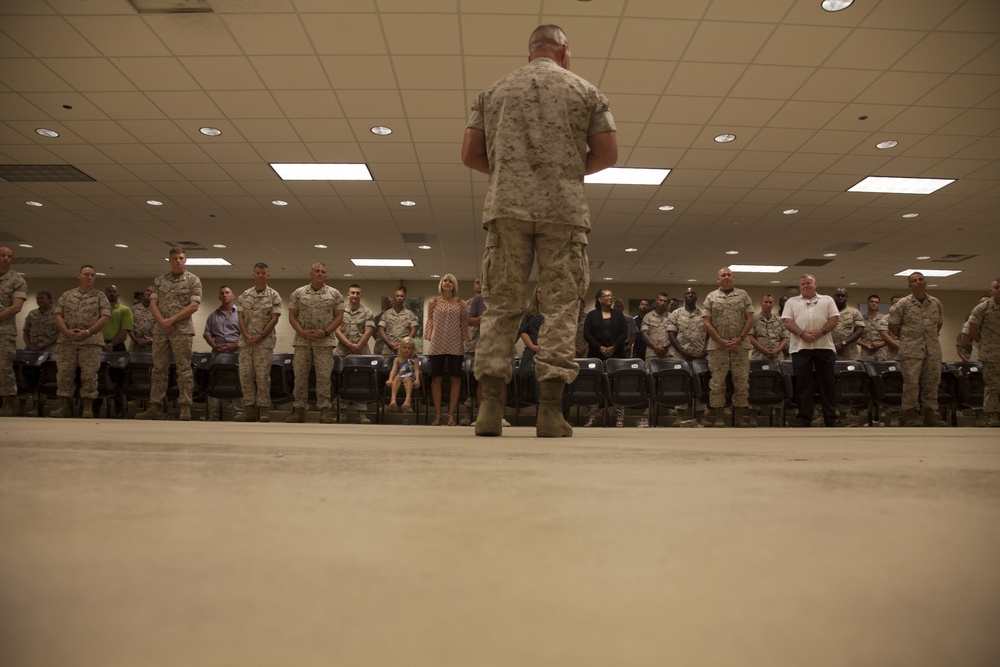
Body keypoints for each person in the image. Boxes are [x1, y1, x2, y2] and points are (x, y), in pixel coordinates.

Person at [461, 23, 617, 439]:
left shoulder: (492, 93)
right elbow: (607, 153)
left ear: (531, 51)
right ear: (565, 52)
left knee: (502, 305)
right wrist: (562, 174)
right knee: (563, 306)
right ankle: (549, 411)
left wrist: (510, 177)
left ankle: (490, 410)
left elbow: (469, 154)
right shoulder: (586, 91)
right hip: (563, 212)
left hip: (506, 208)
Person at [136, 246, 202, 421]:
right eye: (175, 258)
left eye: (181, 258)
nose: (178, 261)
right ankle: (155, 406)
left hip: (182, 330)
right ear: (170, 260)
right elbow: (153, 304)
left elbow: (194, 306)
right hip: (161, 331)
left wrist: (171, 320)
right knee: (158, 369)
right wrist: (162, 322)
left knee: (183, 369)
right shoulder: (159, 280)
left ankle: (185, 407)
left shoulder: (193, 280)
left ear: (185, 260)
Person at [285, 262, 344, 424]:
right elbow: (292, 316)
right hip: (302, 341)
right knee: (300, 376)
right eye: (316, 271)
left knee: (324, 377)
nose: (319, 273)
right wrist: (302, 332)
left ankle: (325, 411)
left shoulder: (334, 294)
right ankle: (298, 410)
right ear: (311, 273)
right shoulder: (298, 293)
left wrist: (325, 332)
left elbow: (339, 316)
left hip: (324, 342)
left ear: (326, 275)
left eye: (323, 271)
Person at [781, 274, 842, 428]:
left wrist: (821, 332)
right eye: (802, 284)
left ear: (815, 284)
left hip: (824, 347)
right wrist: (802, 334)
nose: (805, 286)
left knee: (827, 383)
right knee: (803, 384)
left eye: (808, 283)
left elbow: (834, 319)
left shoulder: (827, 300)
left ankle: (831, 417)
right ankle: (803, 417)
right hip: (801, 348)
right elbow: (787, 321)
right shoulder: (791, 302)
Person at [887, 272, 947, 427]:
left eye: (921, 280)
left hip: (932, 350)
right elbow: (892, 326)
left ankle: (931, 413)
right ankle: (910, 413)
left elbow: (938, 324)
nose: (918, 282)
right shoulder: (903, 304)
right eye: (914, 281)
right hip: (911, 350)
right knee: (911, 383)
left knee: (932, 382)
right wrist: (908, 338)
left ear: (925, 282)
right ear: (909, 285)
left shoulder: (936, 303)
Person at [51, 265, 111, 419]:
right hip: (67, 341)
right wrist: (65, 331)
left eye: (92, 275)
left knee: (89, 375)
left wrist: (88, 332)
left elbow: (104, 317)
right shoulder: (67, 295)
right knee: (64, 374)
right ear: (79, 276)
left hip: (90, 342)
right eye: (86, 274)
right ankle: (64, 406)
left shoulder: (100, 296)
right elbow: (58, 315)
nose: (89, 277)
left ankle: (87, 407)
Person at [702, 268, 754, 427]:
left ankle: (739, 416)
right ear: (718, 279)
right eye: (723, 275)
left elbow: (750, 319)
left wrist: (740, 338)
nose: (726, 277)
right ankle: (719, 416)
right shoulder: (711, 297)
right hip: (718, 347)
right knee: (717, 382)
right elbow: (706, 322)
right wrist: (720, 340)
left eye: (728, 275)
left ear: (733, 278)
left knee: (741, 381)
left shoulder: (743, 295)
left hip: (740, 346)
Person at [235, 263, 282, 423]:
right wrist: (246, 334)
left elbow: (274, 318)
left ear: (268, 275)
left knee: (262, 377)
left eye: (263, 273)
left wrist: (261, 335)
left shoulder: (273, 295)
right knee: (246, 376)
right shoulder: (245, 295)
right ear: (253, 275)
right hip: (246, 342)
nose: (260, 276)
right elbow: (240, 317)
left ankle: (263, 410)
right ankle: (248, 409)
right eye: (258, 273)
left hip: (264, 343)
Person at [425, 274, 469, 426]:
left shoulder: (461, 303)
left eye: (451, 281)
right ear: (441, 284)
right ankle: (438, 415)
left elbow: (464, 321)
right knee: (436, 378)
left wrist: (465, 338)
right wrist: (429, 336)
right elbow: (430, 320)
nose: (448, 283)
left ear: (455, 285)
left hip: (455, 344)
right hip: (437, 343)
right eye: (445, 280)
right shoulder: (433, 302)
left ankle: (450, 415)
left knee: (455, 379)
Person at [583, 288, 629, 427]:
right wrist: (601, 348)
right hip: (596, 356)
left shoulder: (619, 315)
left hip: (616, 356)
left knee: (617, 386)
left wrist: (613, 347)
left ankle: (620, 417)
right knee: (595, 386)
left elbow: (623, 334)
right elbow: (587, 334)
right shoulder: (592, 315)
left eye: (611, 295)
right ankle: (592, 416)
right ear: (599, 299)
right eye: (607, 295)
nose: (610, 297)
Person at [335, 283, 377, 424]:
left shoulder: (367, 312)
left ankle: (361, 413)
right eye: (352, 293)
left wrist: (357, 346)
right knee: (342, 381)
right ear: (348, 295)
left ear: (361, 295)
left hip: (361, 354)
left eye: (357, 293)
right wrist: (348, 344)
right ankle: (342, 412)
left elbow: (368, 331)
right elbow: (337, 330)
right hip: (343, 352)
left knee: (360, 382)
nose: (354, 295)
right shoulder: (340, 311)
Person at [92, 283, 133, 417]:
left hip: (117, 348)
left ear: (118, 294)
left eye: (114, 291)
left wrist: (110, 344)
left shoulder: (124, 310)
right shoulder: (98, 311)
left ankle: (120, 410)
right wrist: (102, 343)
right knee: (97, 378)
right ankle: (95, 409)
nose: (112, 293)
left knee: (118, 379)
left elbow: (125, 329)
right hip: (99, 346)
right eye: (109, 291)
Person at [202, 285, 241, 421]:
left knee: (238, 381)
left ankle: (238, 413)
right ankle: (213, 415)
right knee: (215, 382)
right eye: (222, 293)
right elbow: (207, 333)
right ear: (219, 297)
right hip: (217, 353)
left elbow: (245, 334)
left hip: (236, 352)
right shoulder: (213, 315)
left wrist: (233, 346)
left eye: (227, 292)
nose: (225, 295)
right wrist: (215, 346)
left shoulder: (241, 314)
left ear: (232, 295)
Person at [966, 279, 1000, 427]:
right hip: (991, 354)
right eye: (997, 288)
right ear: (991, 290)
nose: (999, 290)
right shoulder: (983, 308)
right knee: (993, 386)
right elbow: (972, 330)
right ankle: (992, 415)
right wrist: (986, 344)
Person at [18, 291, 58, 415]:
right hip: (31, 351)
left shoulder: (57, 314)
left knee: (41, 378)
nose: (40, 300)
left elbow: (58, 334)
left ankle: (37, 405)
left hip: (48, 351)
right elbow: (26, 331)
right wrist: (28, 345)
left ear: (50, 300)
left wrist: (44, 346)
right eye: (38, 298)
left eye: (43, 298)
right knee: (26, 376)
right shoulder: (32, 314)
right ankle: (21, 405)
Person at [0, 246, 27, 417]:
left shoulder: (17, 280)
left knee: (3, 368)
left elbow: (16, 307)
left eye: (9, 256)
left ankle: (9, 402)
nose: (5, 259)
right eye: (2, 255)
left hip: (4, 331)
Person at [375, 287, 418, 360]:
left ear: (404, 298)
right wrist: (389, 343)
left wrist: (404, 343)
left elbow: (414, 329)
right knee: (388, 370)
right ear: (393, 298)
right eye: (397, 296)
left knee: (405, 370)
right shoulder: (386, 314)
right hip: (388, 350)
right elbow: (381, 330)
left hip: (405, 350)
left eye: (401, 296)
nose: (399, 298)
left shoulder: (410, 314)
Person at [667, 288, 708, 362]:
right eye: (688, 294)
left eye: (693, 293)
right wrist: (682, 351)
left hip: (699, 356)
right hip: (680, 356)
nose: (690, 295)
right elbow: (671, 335)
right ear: (684, 297)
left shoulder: (703, 315)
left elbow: (708, 335)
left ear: (696, 298)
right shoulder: (676, 314)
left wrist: (705, 350)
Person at [748, 294, 788, 365]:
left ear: (773, 304)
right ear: (761, 303)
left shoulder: (779, 320)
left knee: (778, 375)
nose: (768, 305)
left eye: (770, 302)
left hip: (777, 358)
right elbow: (750, 337)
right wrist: (764, 350)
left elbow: (784, 338)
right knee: (759, 375)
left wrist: (777, 351)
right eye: (766, 302)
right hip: (759, 357)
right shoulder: (754, 319)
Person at [386, 336, 421, 414]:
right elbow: (393, 370)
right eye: (404, 347)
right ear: (401, 348)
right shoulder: (397, 359)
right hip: (400, 375)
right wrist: (390, 379)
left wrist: (417, 379)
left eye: (409, 348)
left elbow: (416, 370)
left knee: (407, 378)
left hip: (410, 376)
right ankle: (393, 400)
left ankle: (407, 400)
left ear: (412, 349)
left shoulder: (414, 359)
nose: (406, 350)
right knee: (397, 377)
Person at [831, 288, 865, 360]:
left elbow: (859, 331)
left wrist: (843, 343)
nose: (840, 297)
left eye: (843, 296)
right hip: (831, 352)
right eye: (838, 295)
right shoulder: (828, 312)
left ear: (847, 297)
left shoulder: (854, 312)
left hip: (850, 354)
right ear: (834, 296)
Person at [958, 295, 991, 362]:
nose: (984, 304)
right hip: (977, 355)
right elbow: (965, 340)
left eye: (987, 302)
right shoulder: (974, 317)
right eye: (982, 302)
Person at [858, 294, 890, 362]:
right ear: (867, 303)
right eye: (872, 301)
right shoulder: (860, 319)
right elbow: (854, 337)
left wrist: (880, 343)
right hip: (866, 355)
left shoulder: (885, 319)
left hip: (883, 354)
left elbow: (891, 337)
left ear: (879, 305)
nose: (874, 303)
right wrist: (865, 345)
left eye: (876, 302)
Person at [641, 292, 672, 362]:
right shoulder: (648, 317)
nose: (662, 303)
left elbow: (674, 335)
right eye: (660, 300)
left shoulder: (672, 317)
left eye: (665, 301)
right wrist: (655, 347)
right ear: (656, 301)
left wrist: (664, 346)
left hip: (668, 354)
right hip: (652, 353)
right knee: (651, 372)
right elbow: (644, 334)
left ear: (667, 303)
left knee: (669, 373)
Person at [129, 285, 155, 352]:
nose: (149, 293)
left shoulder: (157, 310)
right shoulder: (134, 308)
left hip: (151, 347)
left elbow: (161, 330)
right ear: (144, 293)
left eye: (152, 292)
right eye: (147, 291)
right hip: (135, 346)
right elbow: (129, 326)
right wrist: (135, 340)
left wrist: (151, 341)